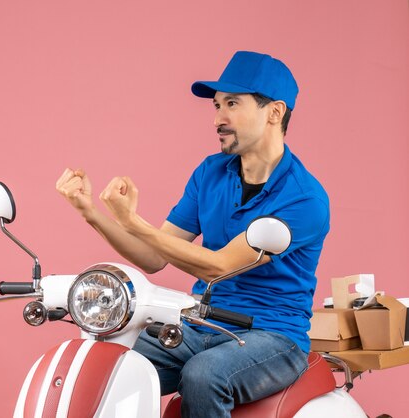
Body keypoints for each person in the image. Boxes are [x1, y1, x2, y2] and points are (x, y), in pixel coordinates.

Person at [55, 51, 330, 418]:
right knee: (112, 362)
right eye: (217, 106)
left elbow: (218, 268)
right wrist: (91, 213)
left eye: (232, 103)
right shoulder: (211, 173)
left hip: (273, 336)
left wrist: (133, 221)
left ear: (275, 112)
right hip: (201, 321)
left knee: (204, 375)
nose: (218, 118)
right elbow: (153, 257)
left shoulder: (304, 198)